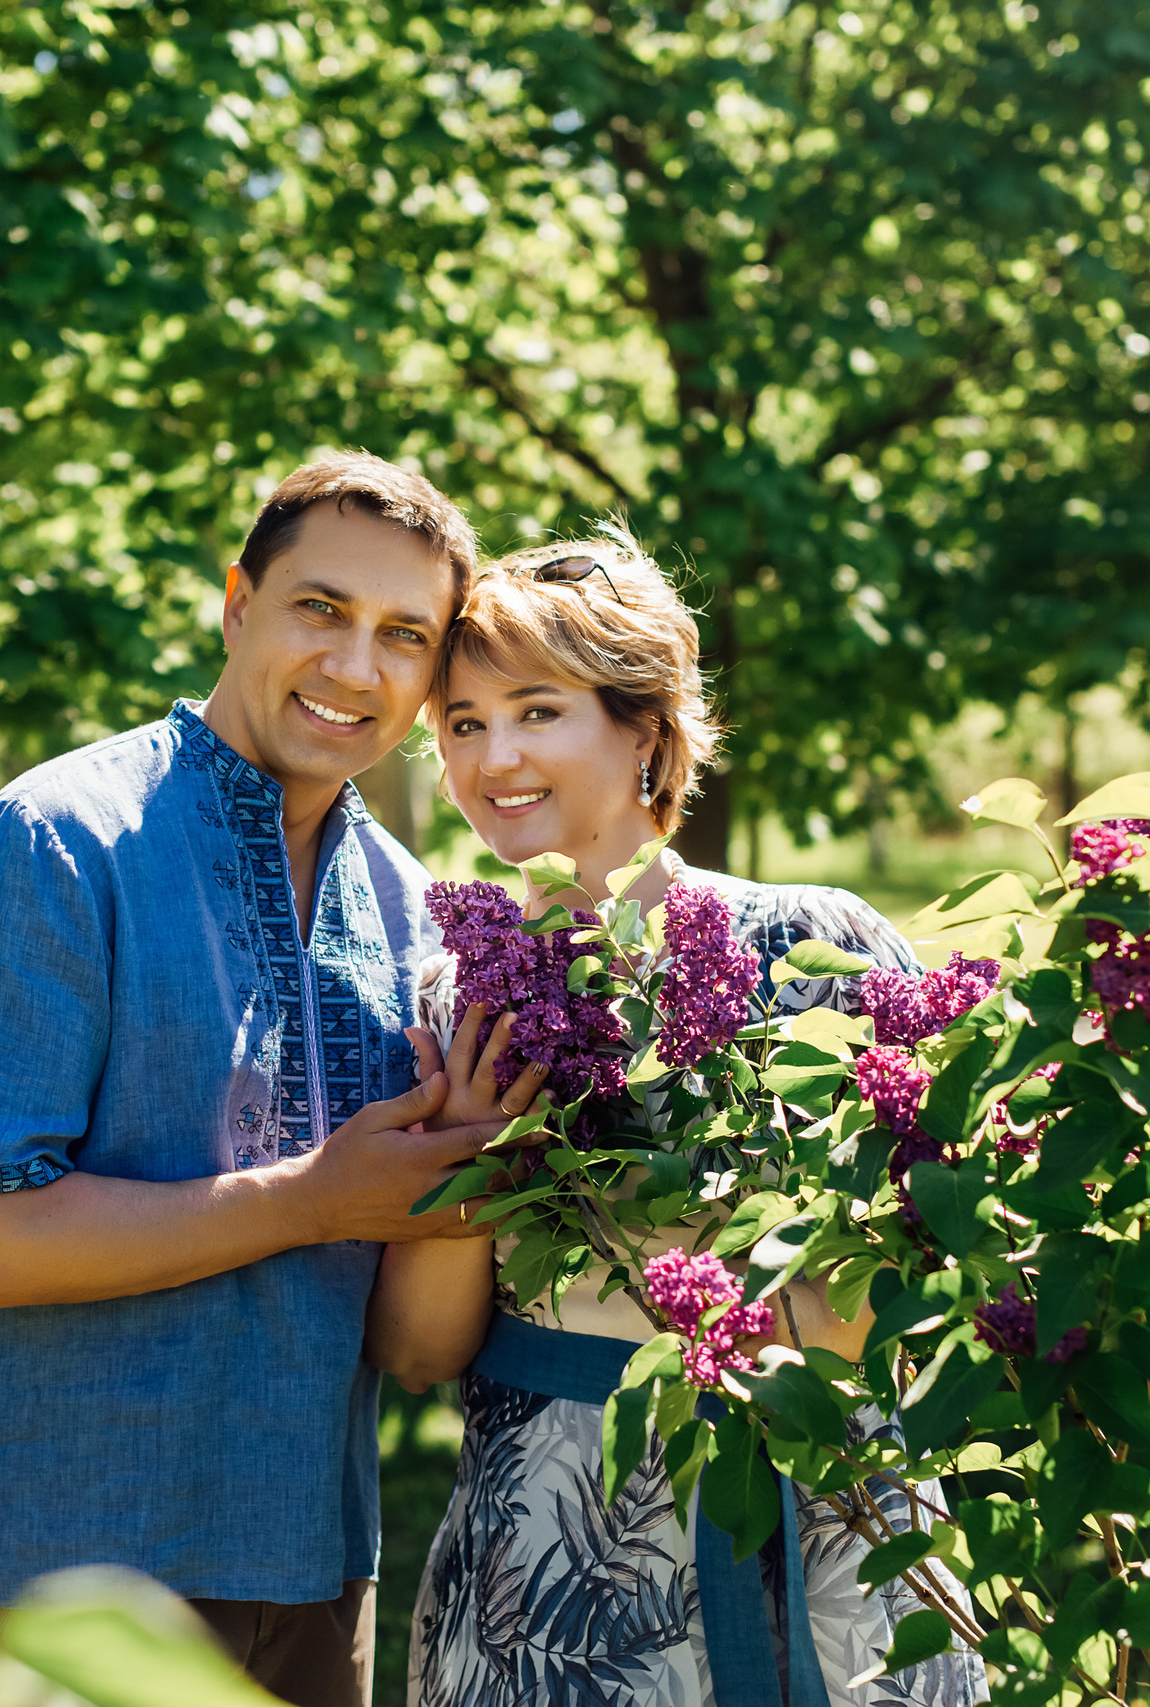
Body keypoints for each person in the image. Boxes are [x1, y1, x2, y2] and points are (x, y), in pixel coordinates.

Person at [0, 452, 511, 1707]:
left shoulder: (407, 907)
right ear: (237, 605)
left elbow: (401, 1335)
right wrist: (311, 1199)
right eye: (319, 611)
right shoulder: (54, 844)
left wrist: (469, 1176)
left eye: (405, 636)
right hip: (71, 1580)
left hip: (317, 1572)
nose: (354, 668)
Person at [367, 528, 989, 1707]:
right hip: (550, 1561)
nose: (493, 756)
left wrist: (731, 1306)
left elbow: (912, 1298)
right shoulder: (457, 992)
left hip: (821, 1518)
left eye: (537, 711)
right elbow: (416, 1352)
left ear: (645, 729)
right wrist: (472, 1160)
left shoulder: (818, 948)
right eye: (460, 722)